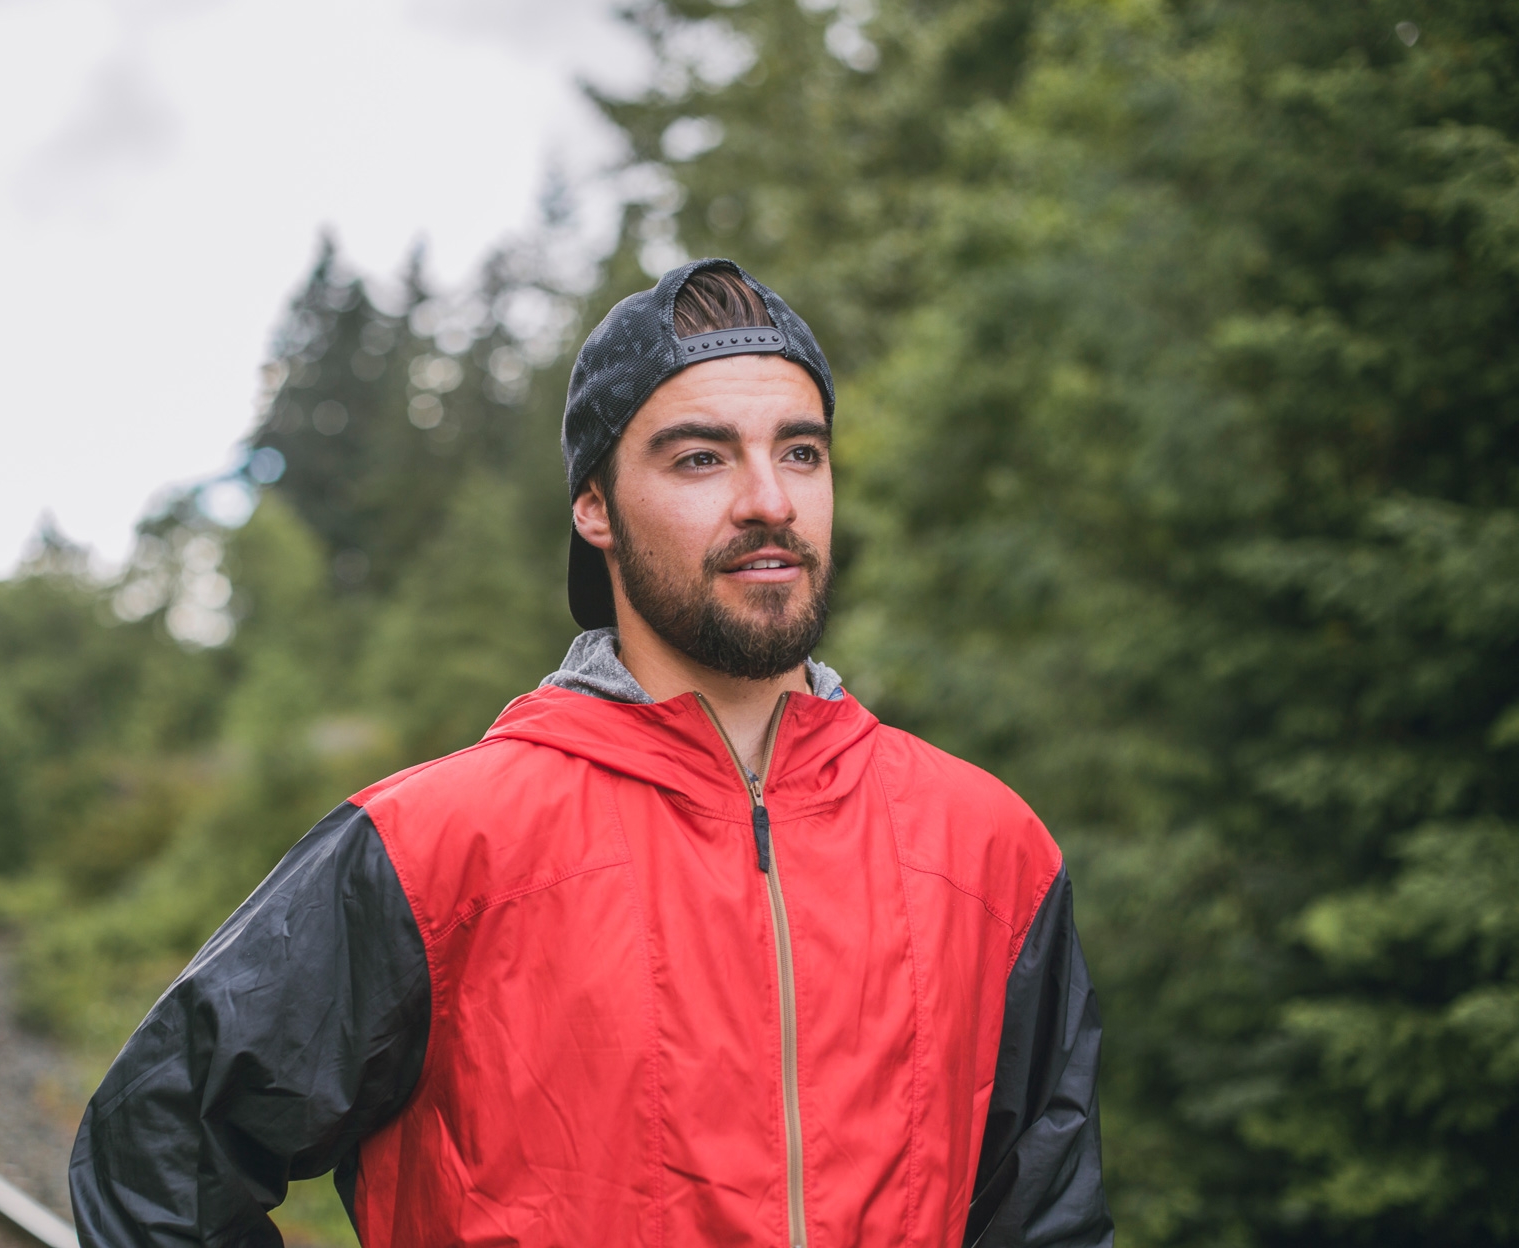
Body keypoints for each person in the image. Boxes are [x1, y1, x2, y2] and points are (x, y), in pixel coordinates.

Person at [68, 260, 1112, 1248]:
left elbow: (1049, 1221)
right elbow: (155, 1155)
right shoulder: (438, 849)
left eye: (800, 449)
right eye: (702, 456)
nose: (770, 499)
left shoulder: (988, 852)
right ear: (595, 507)